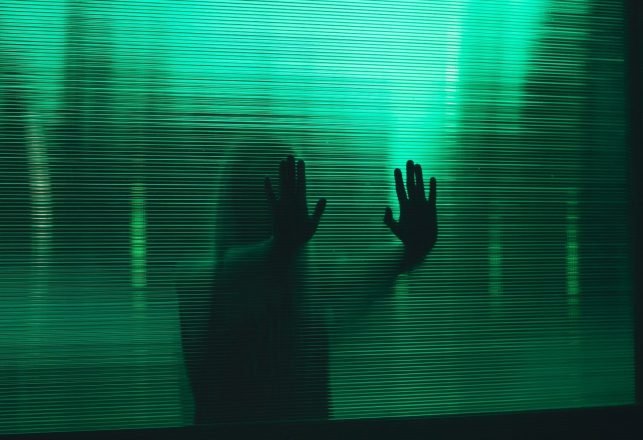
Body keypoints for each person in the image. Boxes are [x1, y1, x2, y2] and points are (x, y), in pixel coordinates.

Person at [178, 150, 437, 424]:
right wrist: (280, 248)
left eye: (289, 185)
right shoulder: (203, 281)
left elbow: (370, 270)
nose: (281, 200)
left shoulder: (312, 281)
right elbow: (218, 276)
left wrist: (413, 250)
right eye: (264, 189)